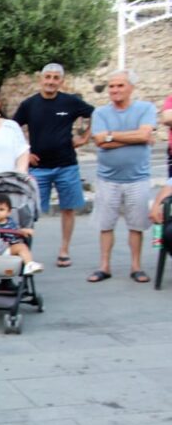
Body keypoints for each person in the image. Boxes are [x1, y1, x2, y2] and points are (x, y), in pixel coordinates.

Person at [13, 63, 94, 268]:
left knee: (68, 209)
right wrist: (25, 152)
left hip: (66, 165)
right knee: (29, 211)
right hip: (38, 169)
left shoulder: (71, 102)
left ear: (61, 81)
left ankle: (64, 250)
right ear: (40, 79)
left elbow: (96, 114)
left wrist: (85, 138)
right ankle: (24, 253)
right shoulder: (29, 104)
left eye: (55, 78)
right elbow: (13, 129)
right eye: (47, 77)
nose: (50, 81)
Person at [88, 69, 158, 284]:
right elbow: (99, 141)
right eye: (111, 86)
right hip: (107, 178)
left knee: (136, 225)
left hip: (138, 178)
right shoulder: (100, 113)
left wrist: (111, 136)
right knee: (105, 224)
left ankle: (136, 267)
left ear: (131, 88)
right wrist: (134, 137)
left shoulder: (146, 108)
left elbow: (145, 134)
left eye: (120, 85)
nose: (115, 90)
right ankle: (104, 266)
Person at [0, 194, 43, 287]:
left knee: (22, 247)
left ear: (9, 212)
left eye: (1, 210)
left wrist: (25, 231)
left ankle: (29, 264)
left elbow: (17, 230)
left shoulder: (11, 222)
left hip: (8, 247)